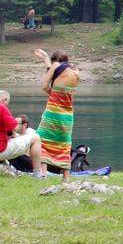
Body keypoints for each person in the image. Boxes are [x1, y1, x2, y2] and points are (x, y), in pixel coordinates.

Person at [0, 89, 46, 178]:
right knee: (35, 138)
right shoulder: (1, 108)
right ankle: (37, 174)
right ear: (5, 99)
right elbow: (14, 127)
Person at [35, 48, 80, 182]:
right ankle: (66, 179)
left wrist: (54, 95)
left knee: (41, 141)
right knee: (64, 145)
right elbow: (57, 74)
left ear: (56, 61)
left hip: (53, 113)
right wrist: (46, 59)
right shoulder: (75, 72)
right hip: (68, 116)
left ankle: (43, 174)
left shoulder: (55, 66)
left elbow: (44, 86)